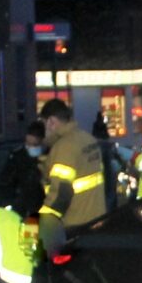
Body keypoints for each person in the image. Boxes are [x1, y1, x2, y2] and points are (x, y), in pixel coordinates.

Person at [36, 97, 107, 255]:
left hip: (74, 225)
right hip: (96, 219)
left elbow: (61, 193)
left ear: (51, 122)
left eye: (43, 123)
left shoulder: (64, 147)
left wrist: (42, 223)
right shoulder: (87, 139)